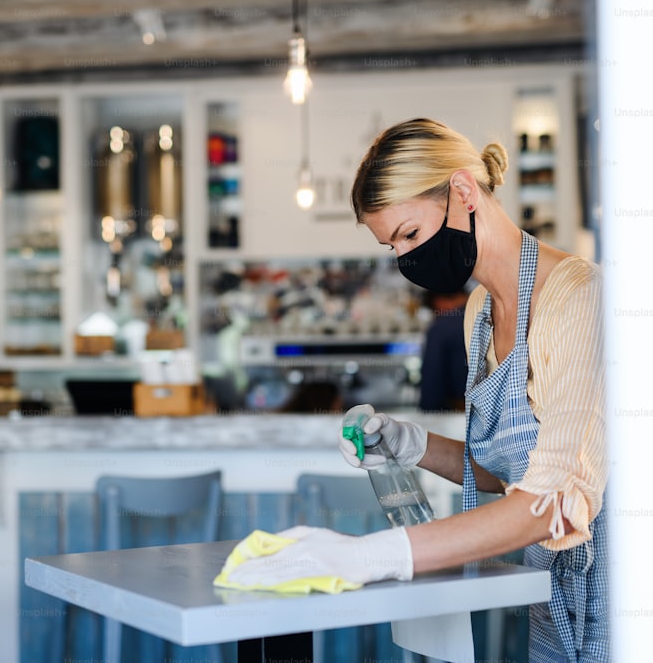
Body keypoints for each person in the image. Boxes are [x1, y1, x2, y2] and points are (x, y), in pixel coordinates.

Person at [225, 117, 608, 661]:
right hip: (549, 610)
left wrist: (370, 556)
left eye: (410, 234)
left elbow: (554, 505)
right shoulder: (481, 312)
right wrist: (415, 445)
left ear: (462, 191)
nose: (408, 259)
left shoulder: (578, 299)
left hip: (616, 611)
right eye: (393, 247)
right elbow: (515, 477)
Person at [419, 287, 470, 412]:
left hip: (458, 413)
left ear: (439, 303)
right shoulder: (495, 314)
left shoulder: (441, 328)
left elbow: (432, 381)